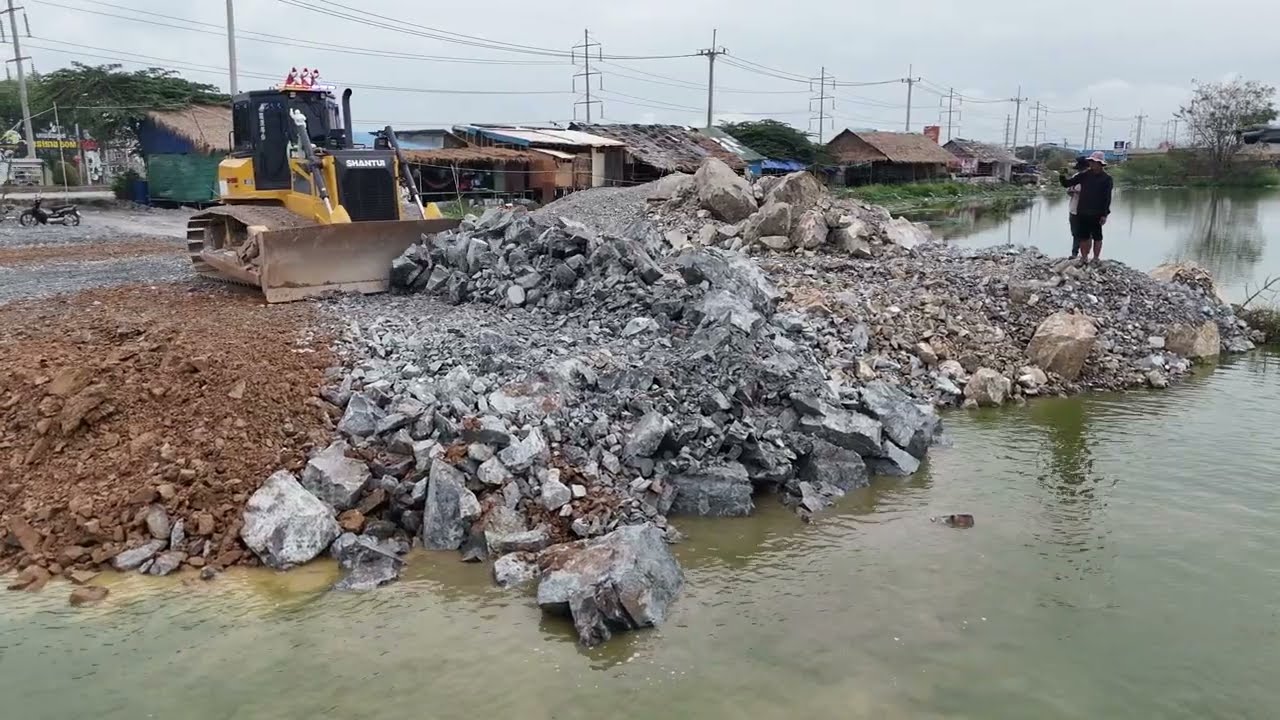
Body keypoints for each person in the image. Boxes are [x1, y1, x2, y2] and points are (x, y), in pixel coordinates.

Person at [1059, 151, 1113, 264]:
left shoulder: (1107, 179)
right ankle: (1084, 257)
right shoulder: (1084, 175)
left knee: (1097, 237)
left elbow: (1107, 198)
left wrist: (1105, 214)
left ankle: (1096, 258)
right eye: (1091, 162)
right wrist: (1062, 175)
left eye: (1094, 162)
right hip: (1082, 211)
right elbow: (1067, 184)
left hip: (1097, 212)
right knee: (1083, 236)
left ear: (1100, 164)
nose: (1091, 164)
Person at [1066, 156, 1088, 258]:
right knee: (1075, 233)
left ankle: (1085, 255)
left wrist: (1080, 193)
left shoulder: (1091, 179)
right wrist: (1071, 191)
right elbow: (1069, 191)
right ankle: (1074, 253)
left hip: (1087, 211)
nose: (1081, 171)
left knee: (1087, 234)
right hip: (1074, 208)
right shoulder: (1076, 176)